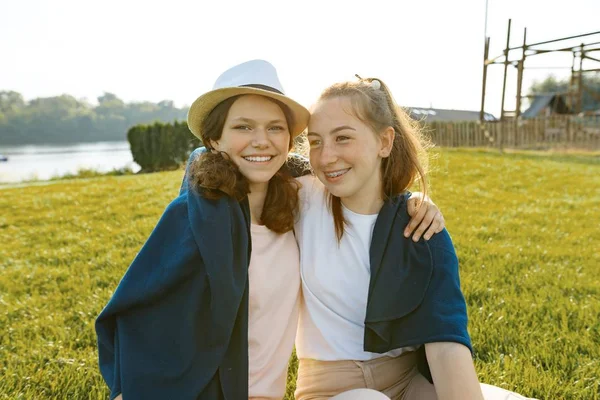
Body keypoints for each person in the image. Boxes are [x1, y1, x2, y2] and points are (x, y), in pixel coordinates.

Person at [95, 60, 442, 400]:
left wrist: (412, 201)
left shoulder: (297, 198)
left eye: (275, 128)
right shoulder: (194, 217)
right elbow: (140, 315)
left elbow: (357, 177)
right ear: (214, 139)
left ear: (289, 140)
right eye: (243, 127)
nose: (261, 141)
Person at [293, 77, 534, 400]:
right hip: (330, 389)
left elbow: (445, 344)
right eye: (316, 141)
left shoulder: (419, 227)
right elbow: (242, 164)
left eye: (343, 138)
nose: (325, 157)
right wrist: (199, 160)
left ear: (385, 142)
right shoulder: (301, 198)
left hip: (408, 383)